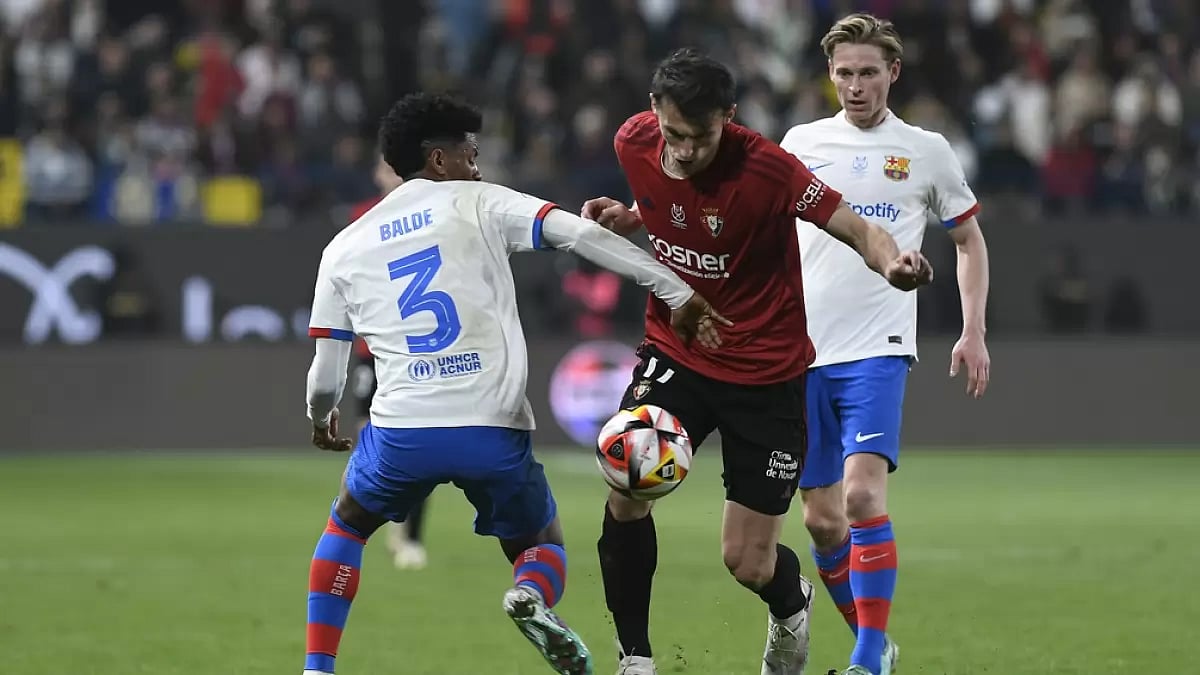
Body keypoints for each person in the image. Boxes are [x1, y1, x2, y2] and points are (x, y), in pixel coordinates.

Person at [301, 92, 727, 675]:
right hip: (490, 426)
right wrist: (675, 290)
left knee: (347, 525)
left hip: (402, 431)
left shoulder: (343, 246)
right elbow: (583, 237)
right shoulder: (481, 201)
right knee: (540, 542)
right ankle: (530, 593)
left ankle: (317, 669)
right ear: (438, 161)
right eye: (470, 153)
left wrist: (320, 416)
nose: (477, 165)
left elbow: (328, 371)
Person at [581, 48, 934, 675]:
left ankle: (791, 604)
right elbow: (669, 198)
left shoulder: (769, 170)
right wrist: (633, 217)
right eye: (674, 134)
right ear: (653, 114)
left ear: (730, 117)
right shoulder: (634, 141)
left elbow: (854, 226)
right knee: (628, 480)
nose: (685, 151)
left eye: (701, 136)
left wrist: (894, 263)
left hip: (766, 377)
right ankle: (634, 658)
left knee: (748, 561)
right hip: (678, 352)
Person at [778, 14, 991, 675]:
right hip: (801, 351)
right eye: (844, 72)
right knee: (820, 520)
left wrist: (972, 327)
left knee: (863, 496)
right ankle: (873, 639)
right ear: (830, 75)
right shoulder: (800, 141)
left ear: (892, 73)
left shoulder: (925, 149)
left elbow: (967, 241)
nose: (855, 85)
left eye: (869, 72)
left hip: (878, 344)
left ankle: (869, 656)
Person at [348, 156, 433, 570]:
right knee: (370, 439)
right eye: (387, 169)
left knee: (422, 442)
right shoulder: (362, 217)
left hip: (419, 350)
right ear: (378, 174)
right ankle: (365, 523)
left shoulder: (429, 215)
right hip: (374, 351)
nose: (394, 176)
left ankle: (410, 536)